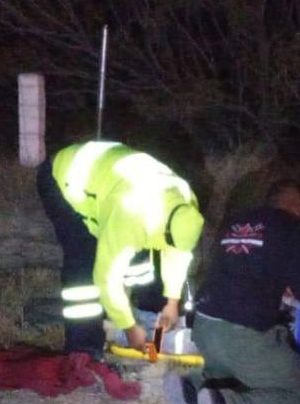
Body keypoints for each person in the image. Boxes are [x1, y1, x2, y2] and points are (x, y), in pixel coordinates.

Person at [164, 179, 300, 404]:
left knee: (230, 372)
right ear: (297, 206)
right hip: (244, 334)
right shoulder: (293, 228)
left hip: (204, 326)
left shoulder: (235, 223)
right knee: (297, 395)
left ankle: (191, 383)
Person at [36, 140, 204, 359]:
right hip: (63, 179)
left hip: (110, 180)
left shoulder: (185, 203)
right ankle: (84, 349)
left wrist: (171, 302)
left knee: (141, 258)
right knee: (85, 263)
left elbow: (176, 255)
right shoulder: (131, 211)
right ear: (164, 228)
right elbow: (106, 278)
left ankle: (148, 315)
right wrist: (129, 328)